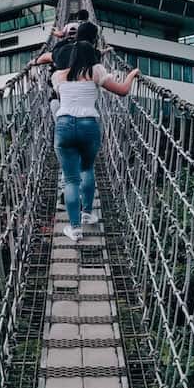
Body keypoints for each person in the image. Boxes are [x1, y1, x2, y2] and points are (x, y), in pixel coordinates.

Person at [52, 40, 139, 241]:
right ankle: (87, 214)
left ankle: (75, 229)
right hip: (88, 125)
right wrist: (131, 75)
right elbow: (123, 91)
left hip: (64, 125)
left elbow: (63, 97)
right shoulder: (96, 71)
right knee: (87, 169)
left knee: (71, 179)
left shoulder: (58, 75)